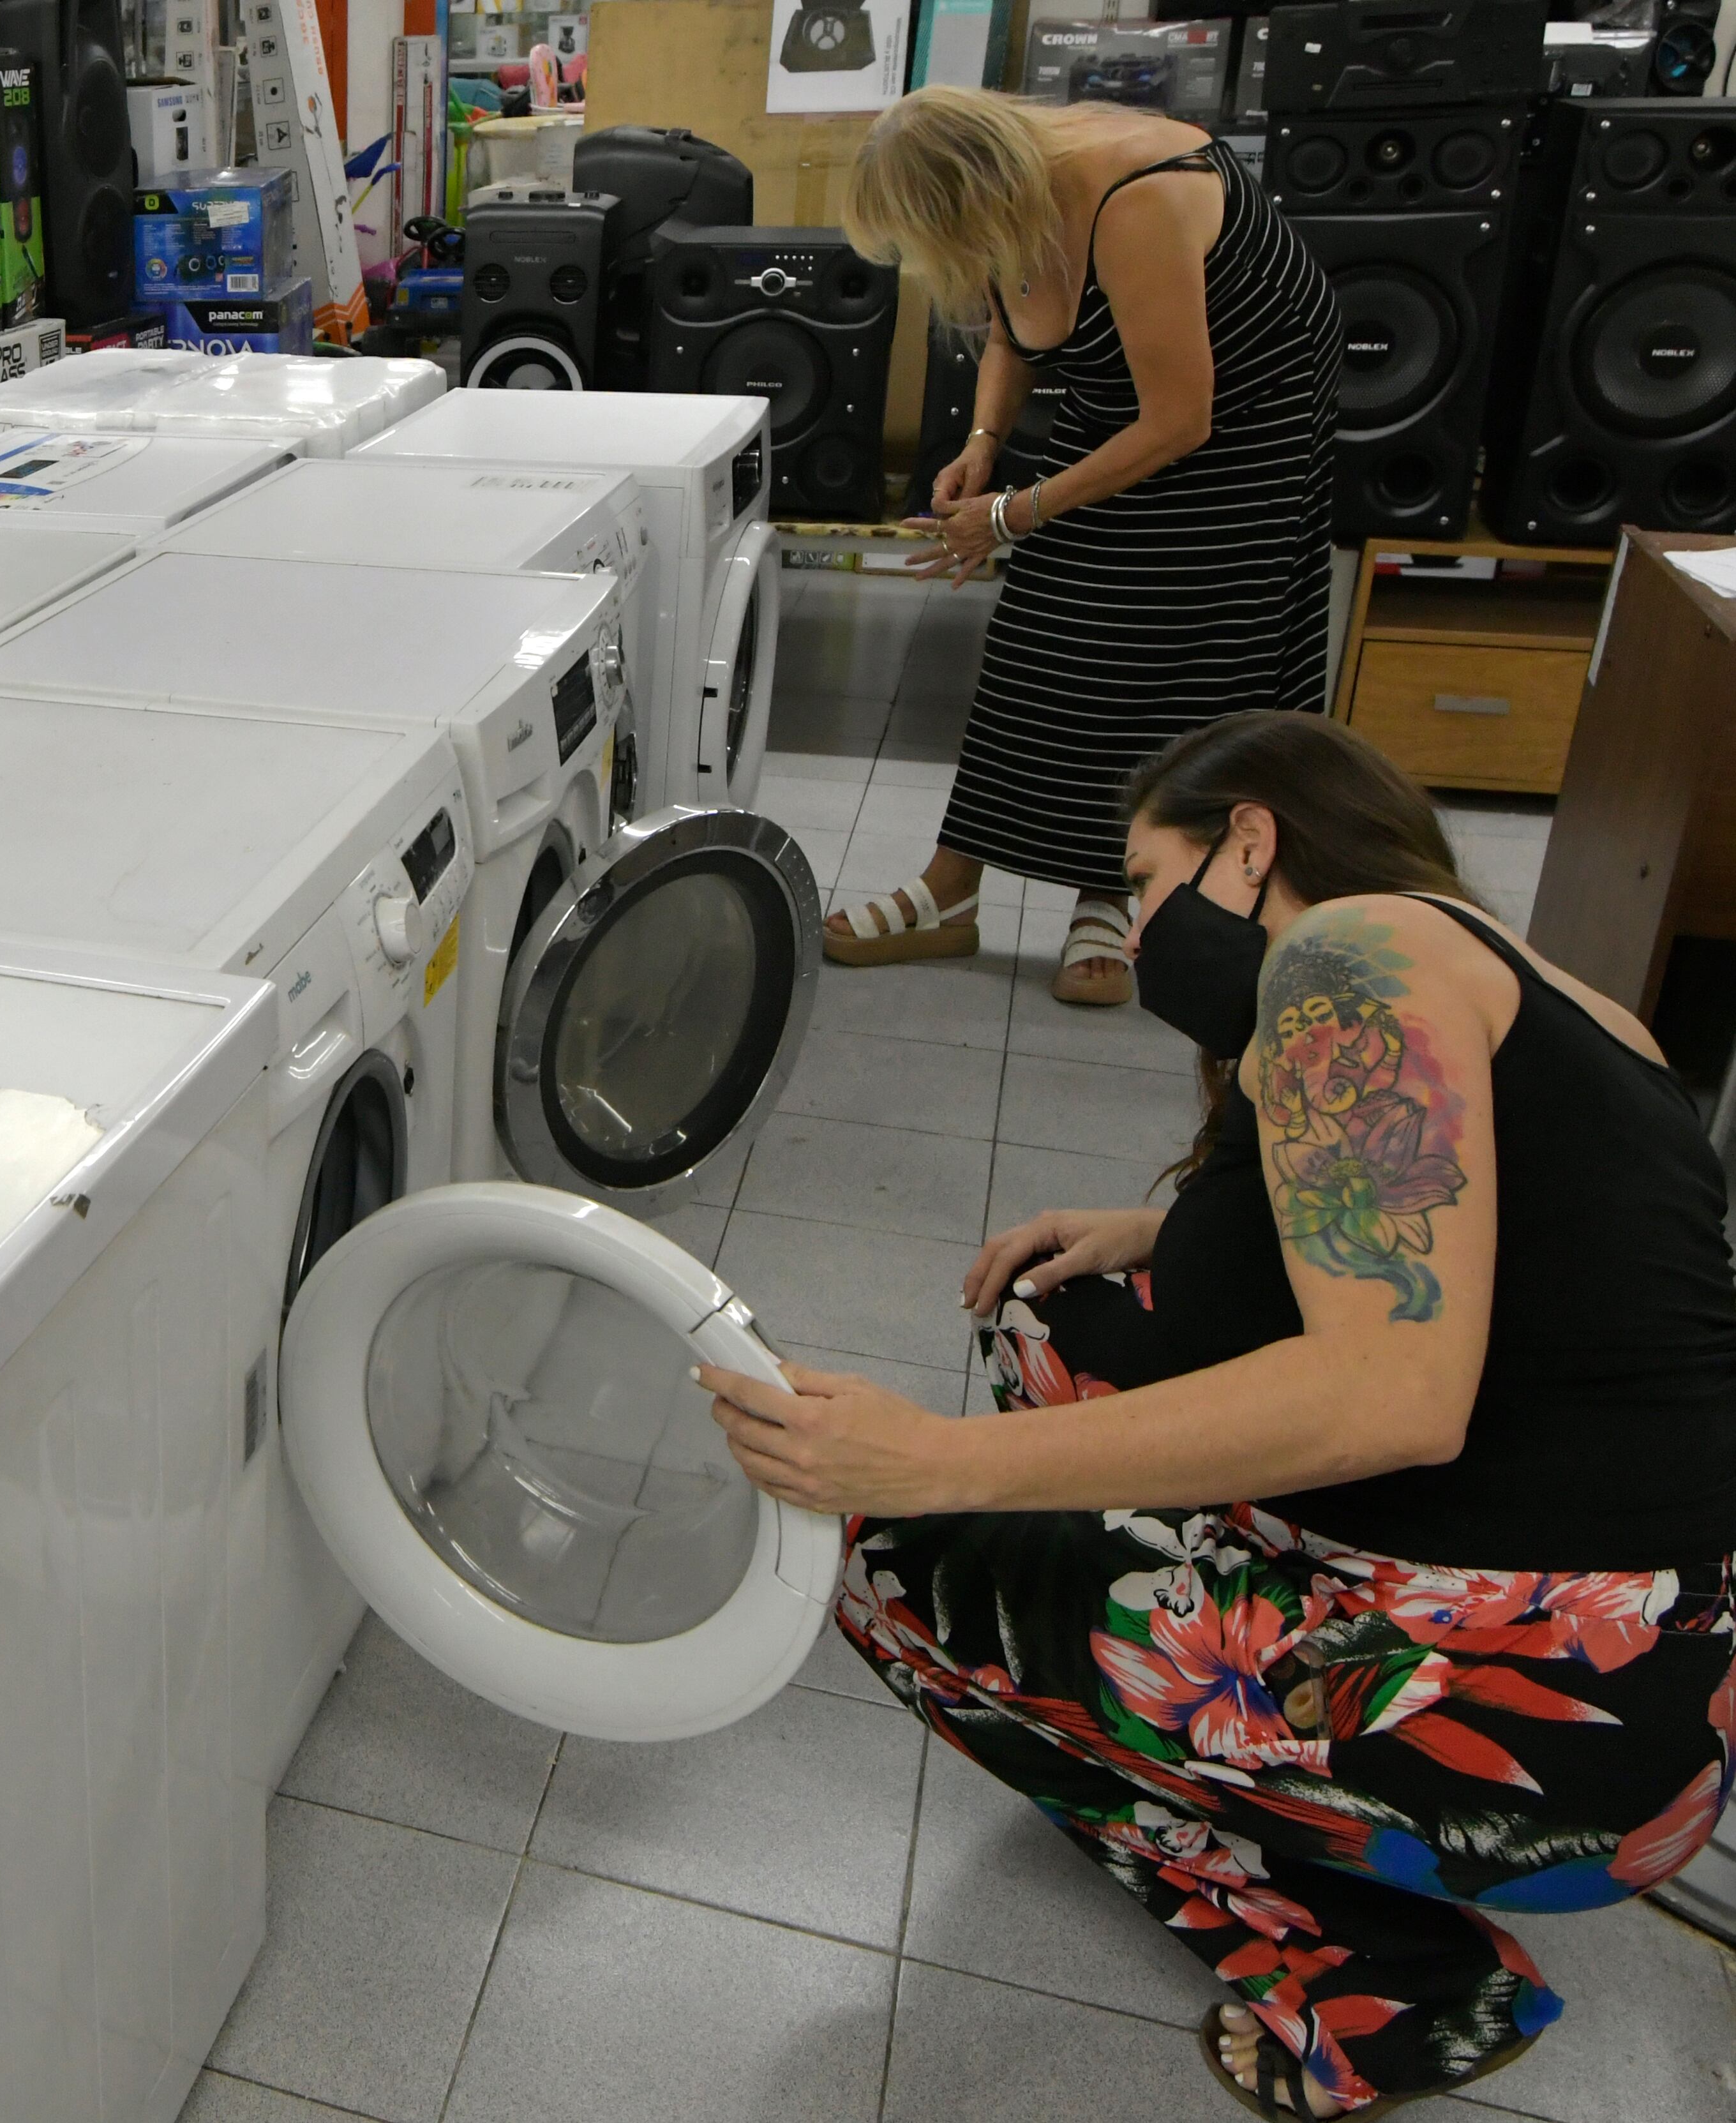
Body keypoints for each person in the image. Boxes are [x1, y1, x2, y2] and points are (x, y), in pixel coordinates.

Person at [700, 712, 1736, 2117]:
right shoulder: (1532, 982)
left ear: (1249, 840)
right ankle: (1232, 1689)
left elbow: (1389, 1390)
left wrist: (936, 1458)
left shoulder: (1345, 957)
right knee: (1048, 1321)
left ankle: (1392, 1983)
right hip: (1665, 1664)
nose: (1135, 933)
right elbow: (1506, 1257)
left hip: (1545, 1713)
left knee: (887, 1556)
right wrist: (1160, 1231)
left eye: (1143, 883)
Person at [828, 88, 1339, 1007]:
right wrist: (986, 445)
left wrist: (1011, 516)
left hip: (1246, 419)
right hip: (1133, 398)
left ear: (970, 194)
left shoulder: (1135, 198)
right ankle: (953, 888)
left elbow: (1182, 418)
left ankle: (1111, 892)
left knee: (1164, 654)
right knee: (1041, 625)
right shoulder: (1012, 195)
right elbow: (1012, 330)